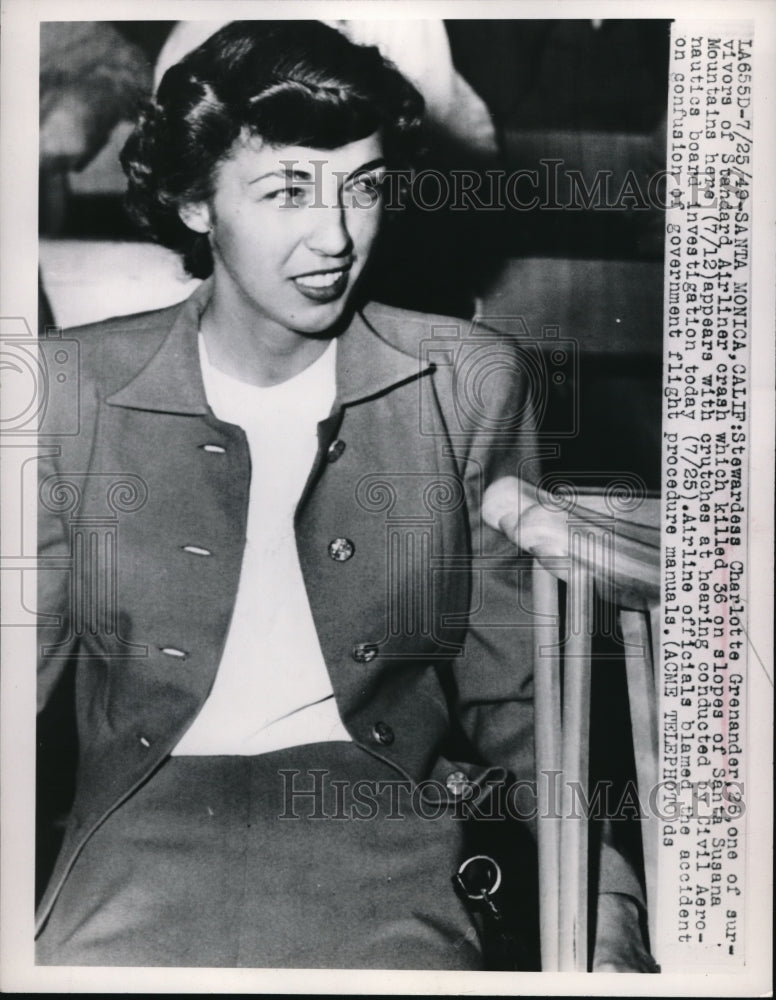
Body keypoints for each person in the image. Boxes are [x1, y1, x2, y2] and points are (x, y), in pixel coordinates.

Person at [36, 20, 653, 970]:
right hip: (134, 824)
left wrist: (608, 901)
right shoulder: (68, 388)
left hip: (385, 826)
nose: (336, 236)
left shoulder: (465, 381)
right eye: (288, 190)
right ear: (198, 204)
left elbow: (523, 696)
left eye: (362, 188)